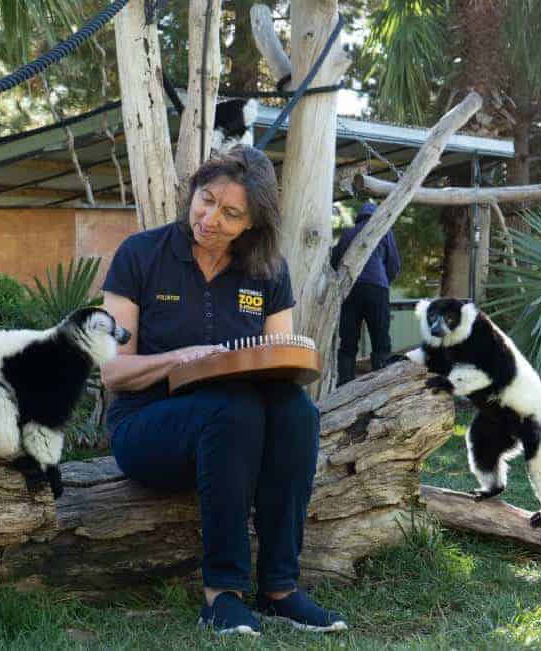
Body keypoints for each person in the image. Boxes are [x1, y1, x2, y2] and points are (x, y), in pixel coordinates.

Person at [100, 147, 346, 636]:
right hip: (147, 427)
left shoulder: (268, 271)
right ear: (193, 193)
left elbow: (280, 363)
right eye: (205, 200)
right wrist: (179, 358)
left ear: (252, 224)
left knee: (296, 411)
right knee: (232, 410)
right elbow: (112, 372)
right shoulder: (141, 255)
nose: (210, 218)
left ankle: (280, 588)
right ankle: (222, 594)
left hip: (240, 432)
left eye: (230, 213)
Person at [330, 200, 401, 386]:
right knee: (381, 340)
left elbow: (334, 261)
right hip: (377, 289)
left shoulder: (348, 233)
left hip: (351, 289)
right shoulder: (384, 231)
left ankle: (344, 386)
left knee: (348, 342)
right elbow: (394, 264)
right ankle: (383, 386)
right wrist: (384, 281)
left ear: (359, 217)